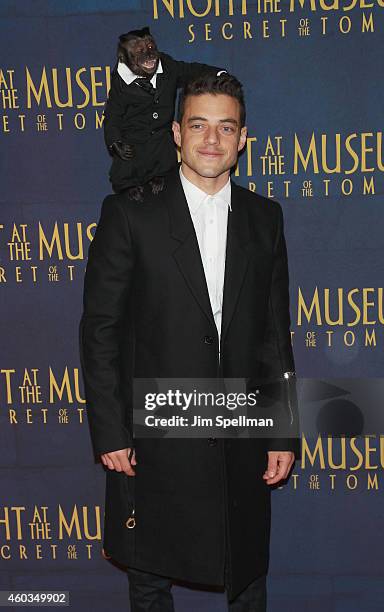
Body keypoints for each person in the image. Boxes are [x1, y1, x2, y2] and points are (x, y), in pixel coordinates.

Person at [79, 72, 299, 611]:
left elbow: (274, 332)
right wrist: (111, 429)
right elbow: (100, 330)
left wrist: (283, 431)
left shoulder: (264, 218)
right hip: (154, 435)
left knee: (247, 576)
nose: (211, 140)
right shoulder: (130, 213)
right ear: (176, 132)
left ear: (243, 139)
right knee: (150, 578)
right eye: (198, 125)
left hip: (240, 431)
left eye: (226, 128)